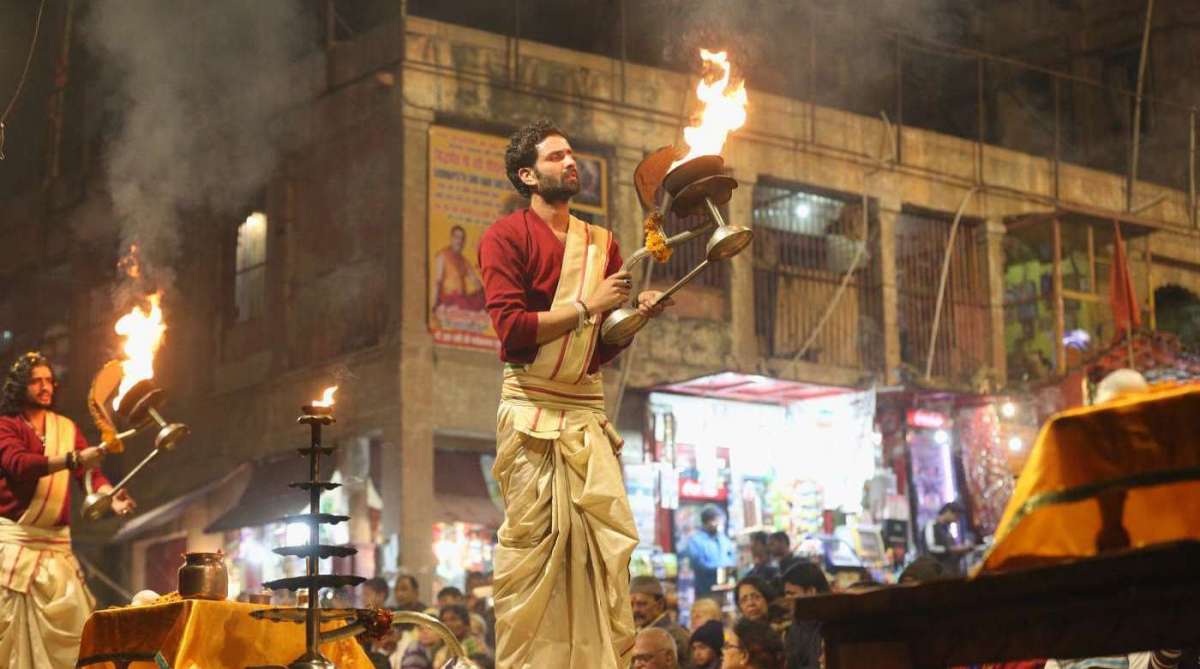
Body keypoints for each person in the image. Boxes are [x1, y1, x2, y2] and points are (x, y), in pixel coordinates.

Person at [478, 119, 672, 669]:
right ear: (527, 175)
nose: (571, 162)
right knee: (536, 559)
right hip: (531, 413)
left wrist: (635, 317)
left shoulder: (601, 243)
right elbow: (513, 331)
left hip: (586, 415)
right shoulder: (505, 237)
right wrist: (589, 305)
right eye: (557, 156)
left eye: (572, 155)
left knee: (597, 562)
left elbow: (598, 349)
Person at [0, 352, 136, 669]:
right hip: (14, 551)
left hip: (57, 554)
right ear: (20, 386)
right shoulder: (5, 426)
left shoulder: (66, 428)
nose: (45, 387)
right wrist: (73, 458)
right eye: (36, 381)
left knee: (79, 633)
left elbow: (88, 474)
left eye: (49, 380)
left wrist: (110, 496)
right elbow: (18, 465)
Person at [631, 575, 692, 667]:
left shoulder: (671, 635)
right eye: (631, 604)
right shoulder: (638, 632)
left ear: (659, 604)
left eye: (641, 604)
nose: (635, 610)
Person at [781, 562, 830, 669]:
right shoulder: (796, 626)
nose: (786, 599)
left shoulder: (831, 624)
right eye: (786, 594)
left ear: (811, 592)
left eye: (792, 593)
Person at [684, 506, 736, 597]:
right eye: (717, 521)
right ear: (707, 522)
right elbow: (698, 564)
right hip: (705, 591)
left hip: (725, 589)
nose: (720, 524)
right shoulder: (695, 541)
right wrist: (721, 567)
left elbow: (732, 559)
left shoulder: (724, 540)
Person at [432, 225, 485, 312]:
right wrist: (434, 304)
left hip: (462, 298)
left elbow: (475, 281)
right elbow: (438, 281)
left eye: (462, 238)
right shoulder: (443, 255)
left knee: (483, 296)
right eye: (457, 237)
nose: (459, 241)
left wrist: (484, 293)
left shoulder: (464, 261)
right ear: (451, 238)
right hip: (448, 298)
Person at [924, 502, 972, 576]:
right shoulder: (931, 525)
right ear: (948, 512)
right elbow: (931, 547)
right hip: (938, 573)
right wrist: (952, 549)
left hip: (951, 572)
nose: (956, 520)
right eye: (956, 516)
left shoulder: (947, 529)